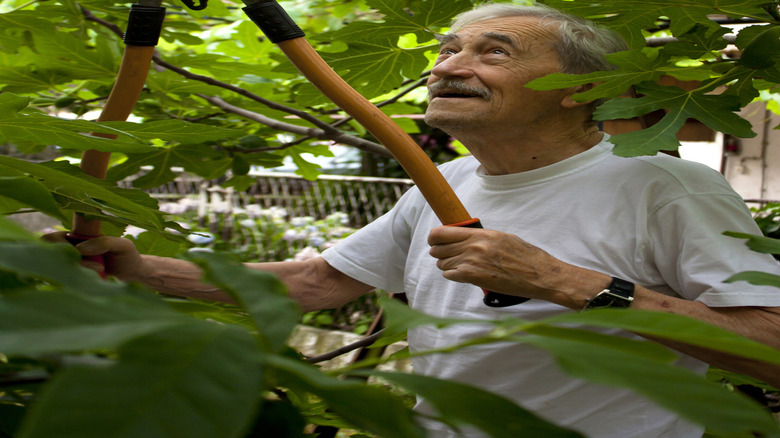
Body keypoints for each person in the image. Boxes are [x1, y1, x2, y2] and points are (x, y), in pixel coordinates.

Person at [50, 3, 780, 437]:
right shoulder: (448, 180)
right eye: (446, 50)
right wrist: (145, 273)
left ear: (581, 88)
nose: (446, 67)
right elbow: (314, 283)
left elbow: (769, 348)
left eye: (492, 53)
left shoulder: (667, 187)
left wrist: (563, 281)